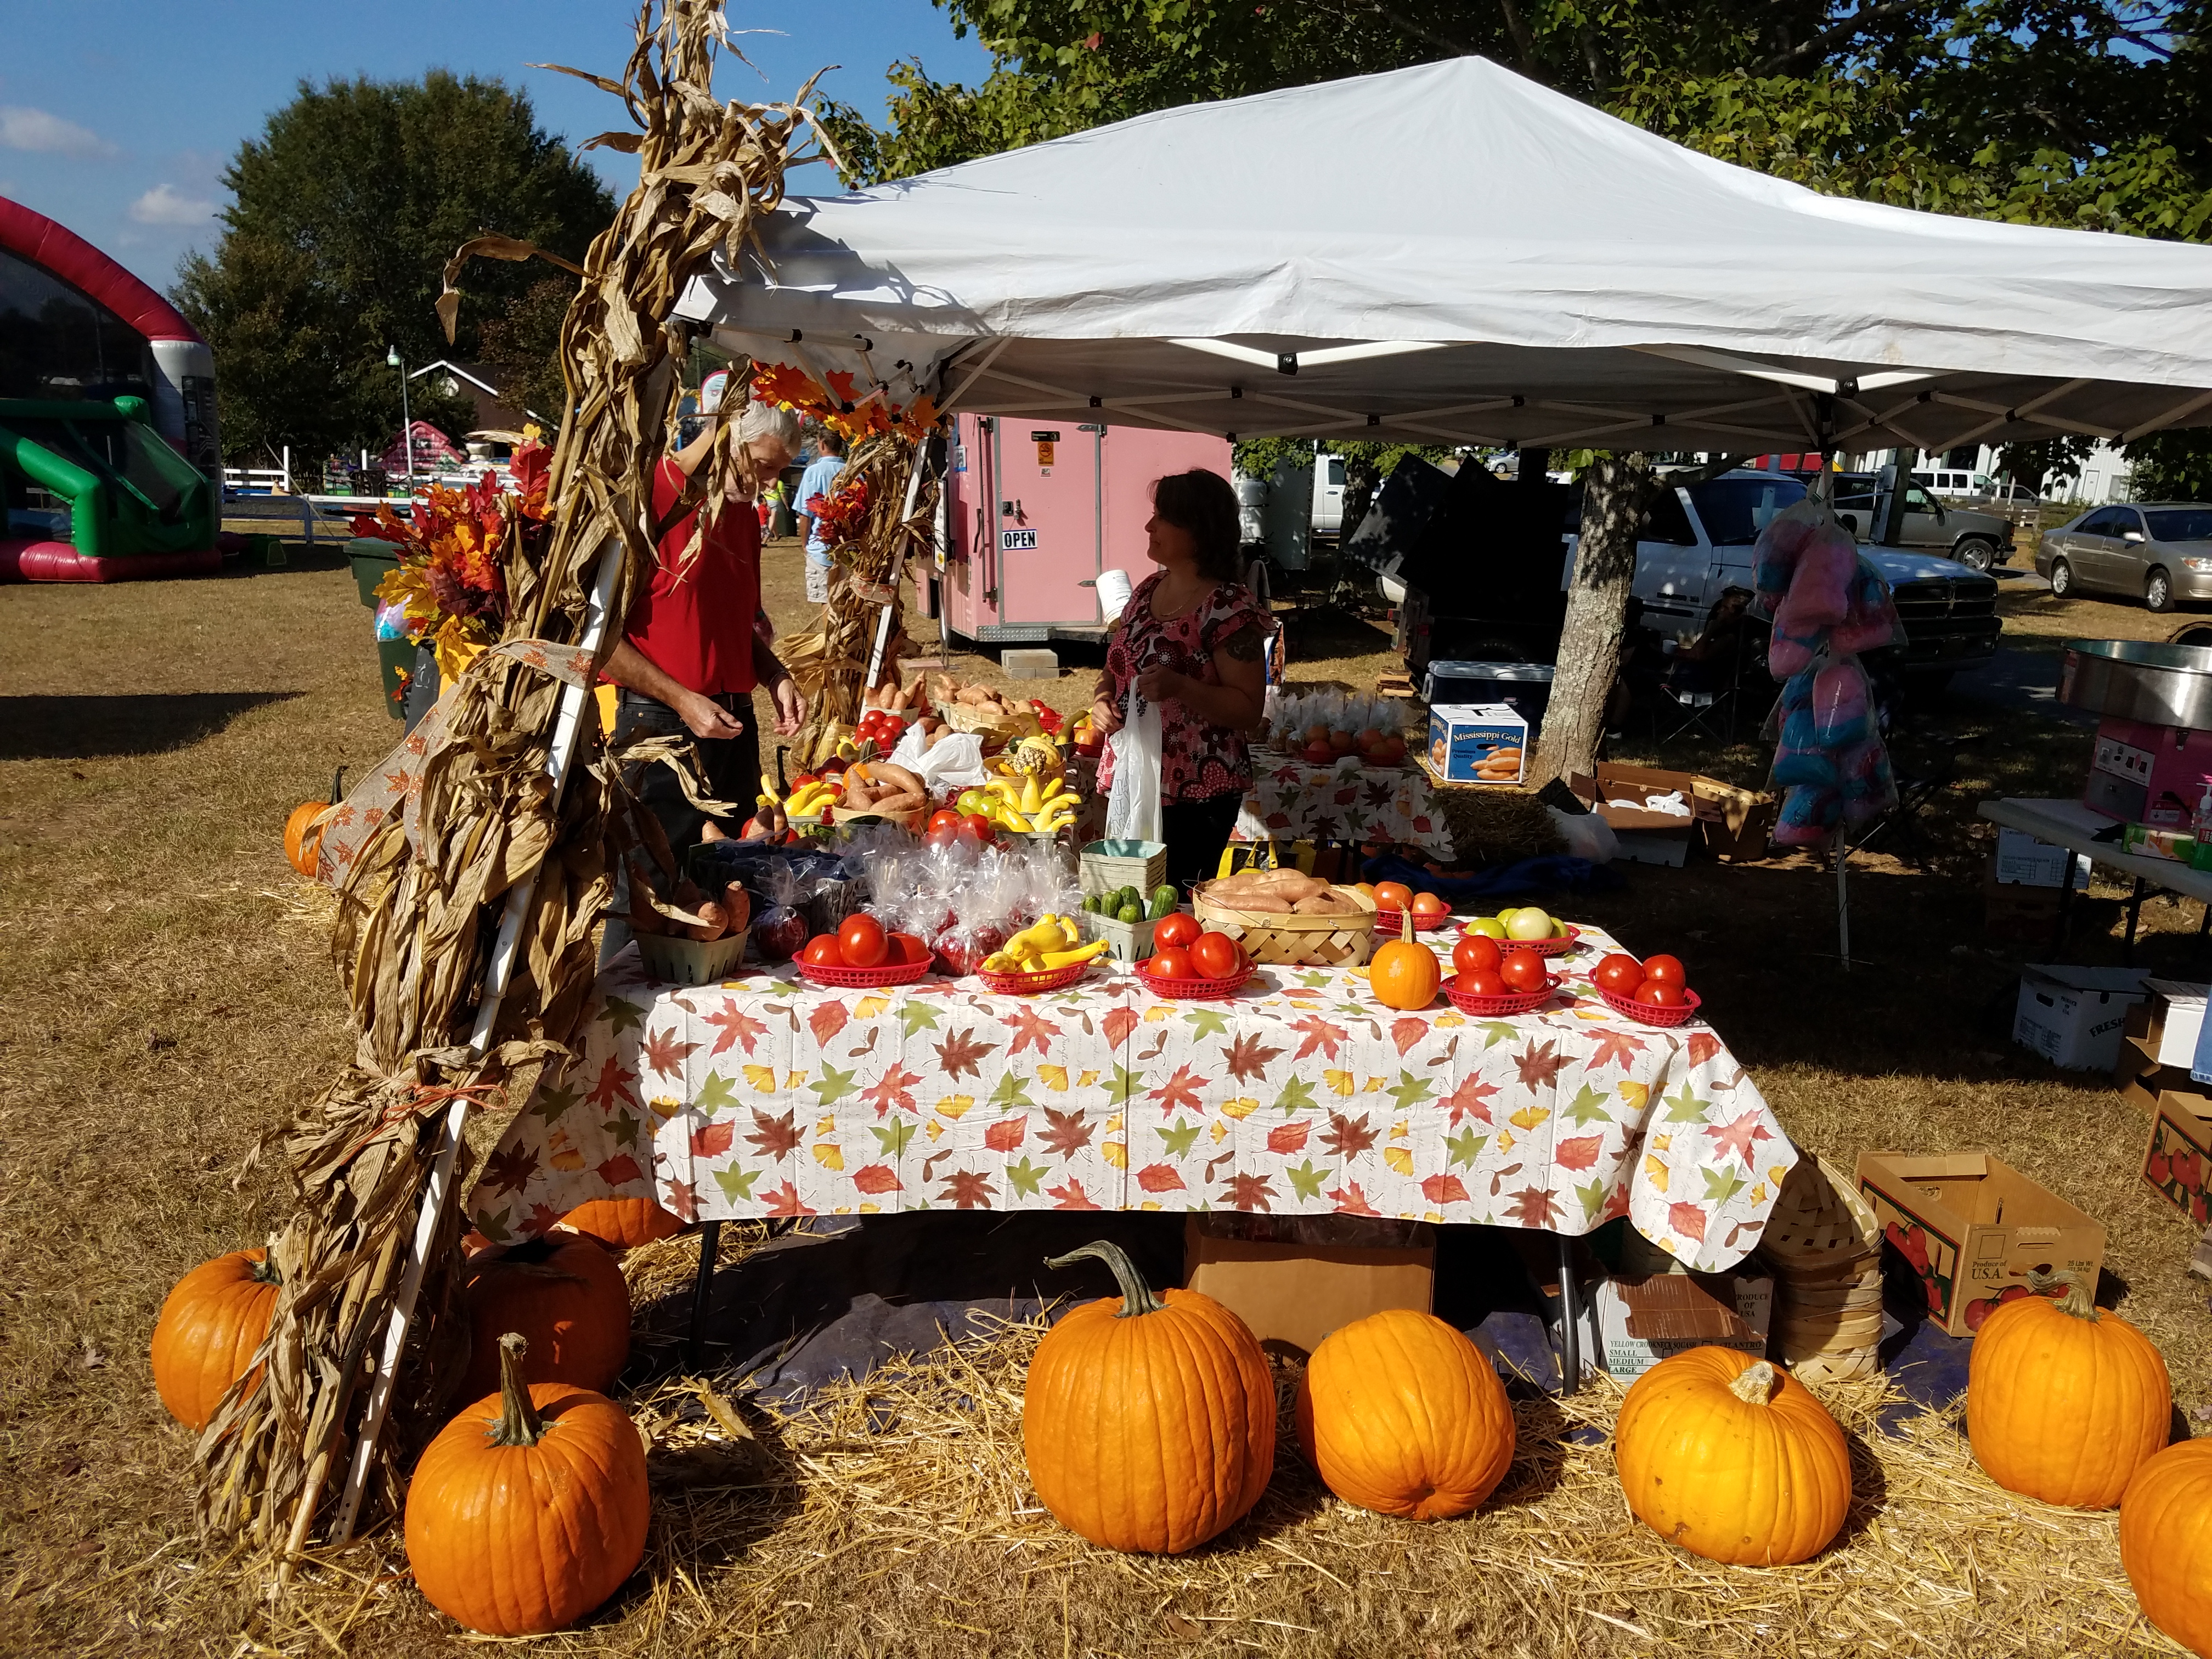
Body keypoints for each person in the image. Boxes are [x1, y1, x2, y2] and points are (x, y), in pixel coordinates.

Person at [601, 400, 808, 958]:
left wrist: (773, 673)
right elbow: (598, 637)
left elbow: (734, 624)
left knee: (729, 889)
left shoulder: (741, 513)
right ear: (724, 437)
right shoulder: (651, 496)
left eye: (779, 472)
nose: (769, 483)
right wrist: (681, 699)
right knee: (650, 888)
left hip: (730, 720)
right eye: (763, 465)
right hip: (659, 725)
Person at [1088, 470, 1275, 894]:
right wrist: (1102, 698)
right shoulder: (1147, 590)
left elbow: (1248, 710)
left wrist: (1182, 687)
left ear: (1198, 530)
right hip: (1131, 778)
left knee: (1173, 908)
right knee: (1125, 899)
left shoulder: (1229, 608)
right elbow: (1115, 665)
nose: (1149, 526)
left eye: (1162, 517)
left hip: (1196, 794)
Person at [794, 431, 846, 605]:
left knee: (827, 600)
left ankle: (830, 633)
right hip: (847, 545)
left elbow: (805, 513)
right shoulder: (851, 470)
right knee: (843, 599)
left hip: (820, 545)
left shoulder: (813, 472)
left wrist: (804, 544)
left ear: (822, 444)